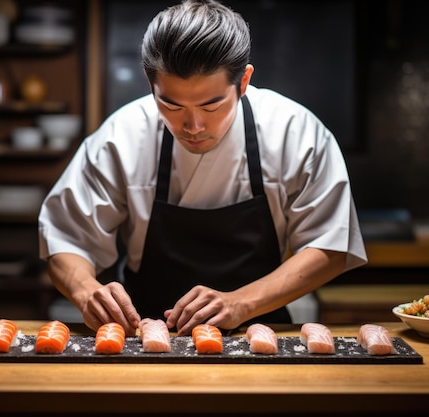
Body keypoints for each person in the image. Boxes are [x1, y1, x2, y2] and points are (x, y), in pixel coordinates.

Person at [38, 0, 367, 337]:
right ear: (150, 84)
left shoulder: (295, 132)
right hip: (146, 334)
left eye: (211, 105)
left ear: (243, 82)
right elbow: (67, 238)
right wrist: (85, 290)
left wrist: (241, 303)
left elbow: (330, 246)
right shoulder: (121, 136)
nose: (192, 126)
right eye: (171, 104)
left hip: (258, 331)